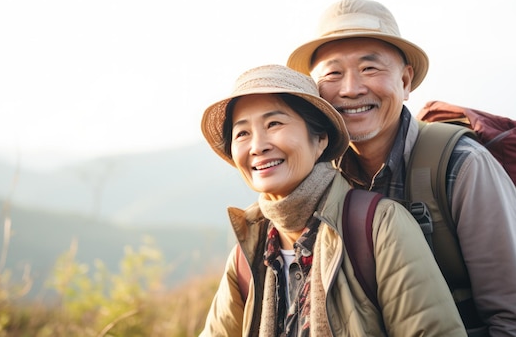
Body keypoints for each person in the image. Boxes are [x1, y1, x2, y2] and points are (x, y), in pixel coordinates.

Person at [286, 0, 516, 336]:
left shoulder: (462, 168)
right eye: (333, 73)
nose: (351, 88)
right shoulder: (317, 177)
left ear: (406, 81)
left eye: (370, 69)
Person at [199, 64, 465, 336]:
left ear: (320, 139)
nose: (258, 146)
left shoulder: (379, 227)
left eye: (274, 124)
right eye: (242, 133)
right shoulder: (249, 252)